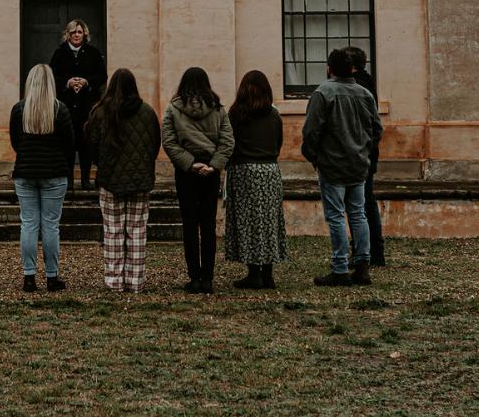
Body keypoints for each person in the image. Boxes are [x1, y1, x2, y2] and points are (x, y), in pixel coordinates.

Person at [302, 48, 382, 287]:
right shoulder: (364, 93)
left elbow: (311, 131)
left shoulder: (323, 92)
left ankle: (339, 268)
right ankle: (362, 266)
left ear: (330, 68)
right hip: (358, 164)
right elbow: (377, 129)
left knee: (336, 216)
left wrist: (314, 157)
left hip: (332, 164)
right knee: (358, 214)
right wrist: (363, 151)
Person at [85, 68, 161, 293]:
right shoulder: (147, 112)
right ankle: (135, 281)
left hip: (110, 180)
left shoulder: (100, 112)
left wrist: (103, 165)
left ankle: (114, 281)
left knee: (113, 231)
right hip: (140, 180)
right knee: (137, 230)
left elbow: (91, 143)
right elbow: (154, 144)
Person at [162, 67, 234, 294]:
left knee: (190, 225)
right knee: (208, 224)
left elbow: (169, 141)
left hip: (187, 171)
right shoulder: (218, 109)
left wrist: (189, 163)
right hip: (210, 172)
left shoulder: (173, 109)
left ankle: (194, 277)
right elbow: (227, 141)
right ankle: (208, 278)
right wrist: (214, 165)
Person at [10, 63, 74, 292]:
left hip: (25, 171)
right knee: (50, 225)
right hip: (54, 173)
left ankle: (29, 276)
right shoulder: (60, 110)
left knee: (28, 224)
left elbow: (16, 142)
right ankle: (51, 276)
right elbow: (69, 145)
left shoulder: (19, 109)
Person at [224, 69, 287, 290]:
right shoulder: (274, 115)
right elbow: (278, 143)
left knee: (247, 221)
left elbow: (228, 143)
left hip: (243, 170)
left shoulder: (235, 114)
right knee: (269, 221)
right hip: (269, 170)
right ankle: (268, 273)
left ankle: (253, 273)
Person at [49, 20, 107, 190]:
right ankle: (67, 181)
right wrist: (67, 83)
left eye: (79, 32)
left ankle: (85, 179)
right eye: (73, 32)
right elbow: (53, 76)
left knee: (86, 144)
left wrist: (86, 82)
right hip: (65, 107)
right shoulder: (59, 53)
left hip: (86, 107)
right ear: (68, 34)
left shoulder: (93, 53)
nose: (76, 35)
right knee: (67, 144)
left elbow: (102, 76)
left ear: (85, 34)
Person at [346, 46, 385, 267]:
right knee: (365, 201)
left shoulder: (357, 87)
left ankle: (367, 253)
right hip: (368, 151)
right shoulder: (367, 83)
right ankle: (373, 251)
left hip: (360, 153)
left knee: (360, 204)